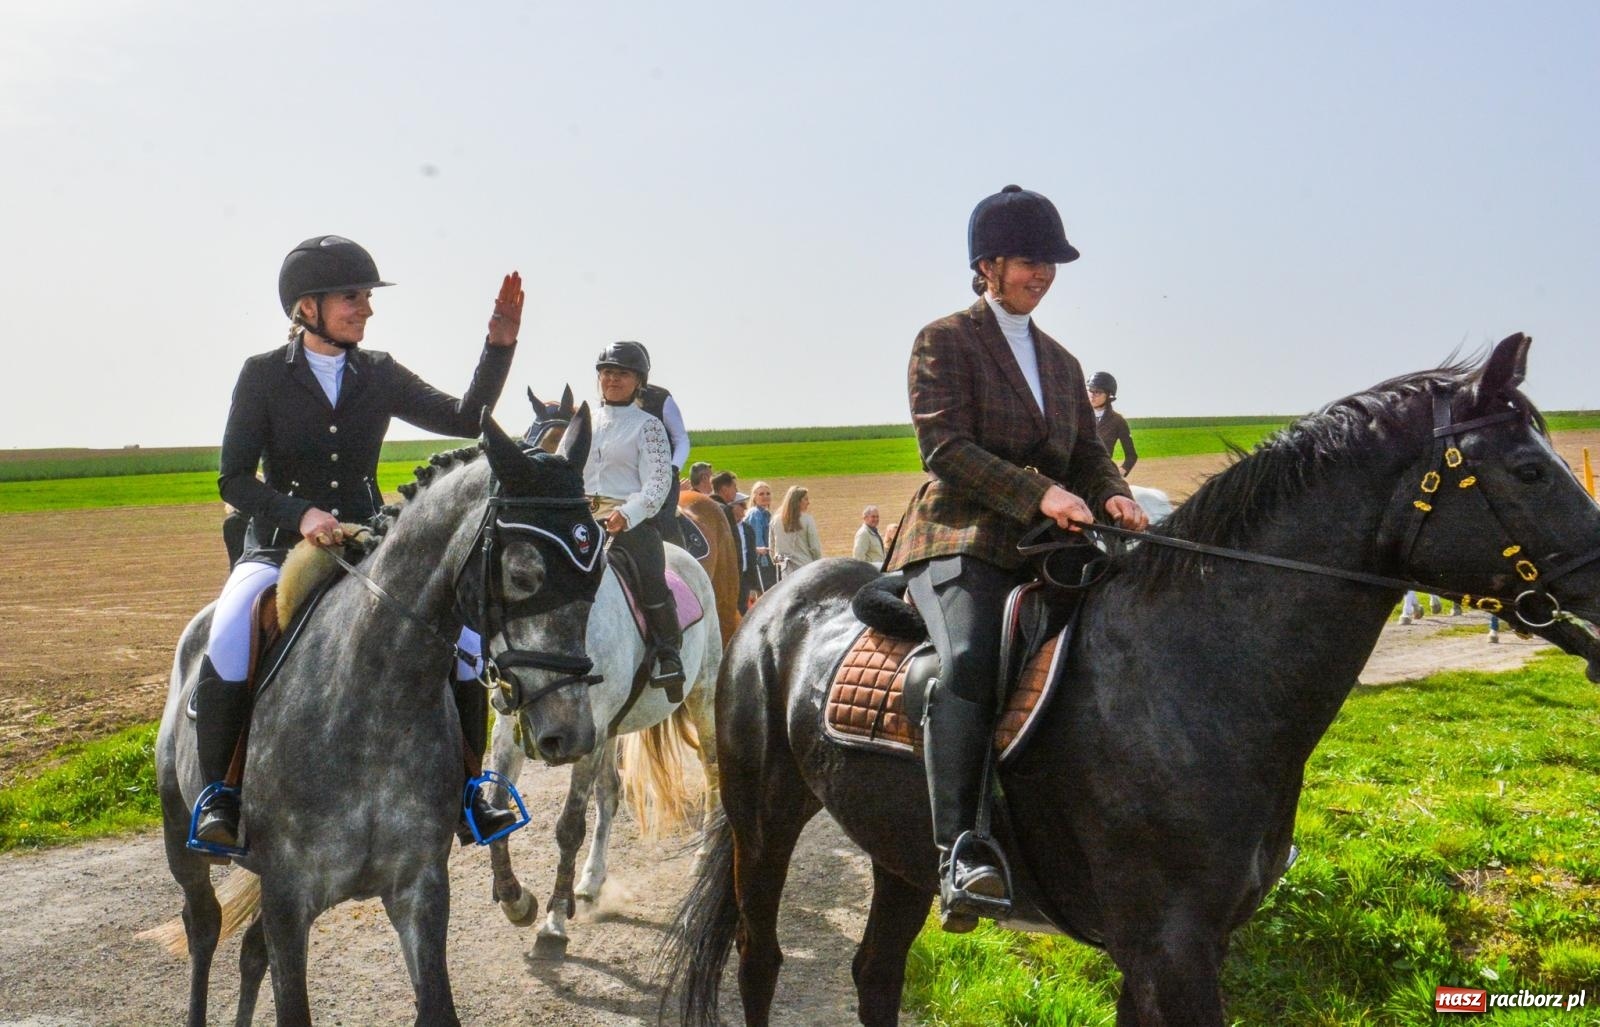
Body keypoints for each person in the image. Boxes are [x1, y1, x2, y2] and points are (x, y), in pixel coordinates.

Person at [194, 235, 524, 850]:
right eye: (353, 296)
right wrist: (300, 515)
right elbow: (233, 480)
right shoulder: (263, 376)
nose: (366, 308)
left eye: (367, 297)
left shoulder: (379, 372)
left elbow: (465, 417)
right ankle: (222, 794)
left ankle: (471, 789)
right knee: (232, 625)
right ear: (307, 306)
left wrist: (498, 346)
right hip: (278, 547)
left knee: (468, 640)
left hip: (371, 546)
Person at [884, 185, 1148, 932]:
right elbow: (944, 448)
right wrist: (1038, 493)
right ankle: (960, 851)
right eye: (1032, 260)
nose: (1044, 274)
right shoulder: (944, 340)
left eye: (1052, 262)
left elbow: (1091, 457)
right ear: (988, 264)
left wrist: (1115, 496)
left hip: (1049, 546)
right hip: (961, 537)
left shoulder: (1064, 364)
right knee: (969, 656)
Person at [585, 341, 686, 690]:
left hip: (629, 522)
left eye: (621, 373)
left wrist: (627, 515)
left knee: (651, 580)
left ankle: (669, 653)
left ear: (638, 381)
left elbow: (658, 482)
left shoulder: (648, 427)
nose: (612, 379)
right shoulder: (583, 421)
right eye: (606, 372)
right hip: (582, 520)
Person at [631, 345, 690, 549]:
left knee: (664, 523)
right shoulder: (608, 404)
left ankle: (679, 559)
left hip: (660, 477)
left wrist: (672, 469)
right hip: (625, 474)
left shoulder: (661, 398)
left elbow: (681, 439)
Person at [1087, 371, 1137, 477]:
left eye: (1098, 392)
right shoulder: (1078, 416)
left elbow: (1131, 456)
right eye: (1090, 390)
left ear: (1109, 395)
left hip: (1103, 475)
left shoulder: (1118, 421)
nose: (1092, 395)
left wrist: (1119, 473)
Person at [770, 485, 823, 573]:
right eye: (805, 499)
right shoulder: (808, 520)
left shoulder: (775, 520)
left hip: (785, 571)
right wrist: (819, 564)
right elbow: (815, 547)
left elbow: (772, 547)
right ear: (797, 501)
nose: (808, 502)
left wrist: (777, 563)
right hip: (805, 569)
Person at [729, 491, 762, 613]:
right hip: (729, 580)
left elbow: (751, 559)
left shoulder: (748, 529)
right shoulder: (724, 528)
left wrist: (755, 586)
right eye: (741, 505)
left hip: (744, 580)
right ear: (731, 507)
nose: (745, 508)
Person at [745, 481, 778, 596]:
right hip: (761, 561)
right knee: (767, 593)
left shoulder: (765, 513)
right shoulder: (756, 514)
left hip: (765, 560)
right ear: (754, 497)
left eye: (768, 493)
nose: (765, 496)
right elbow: (758, 542)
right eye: (761, 494)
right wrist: (765, 562)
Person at [711, 469, 742, 538]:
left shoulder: (706, 506)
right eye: (734, 487)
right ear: (725, 490)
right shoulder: (726, 510)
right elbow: (733, 541)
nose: (736, 490)